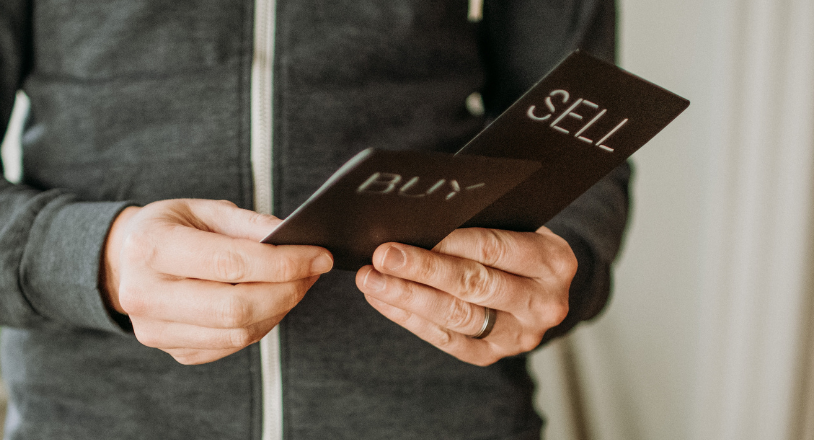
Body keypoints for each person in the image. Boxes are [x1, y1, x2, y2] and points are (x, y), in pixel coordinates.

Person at [0, 0, 629, 438]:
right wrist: (91, 259)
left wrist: (556, 267)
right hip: (96, 415)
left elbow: (581, 118)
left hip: (440, 411)